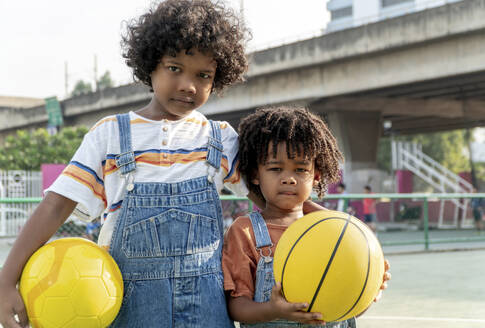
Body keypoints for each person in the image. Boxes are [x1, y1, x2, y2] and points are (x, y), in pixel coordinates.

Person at [0, 1, 251, 327]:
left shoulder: (220, 139)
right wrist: (7, 278)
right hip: (128, 311)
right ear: (150, 65)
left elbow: (275, 198)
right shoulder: (110, 135)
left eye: (203, 75)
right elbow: (56, 205)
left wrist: (323, 221)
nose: (188, 84)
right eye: (174, 68)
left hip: (207, 311)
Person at [222, 107, 390, 327]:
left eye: (300, 170)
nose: (289, 179)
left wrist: (367, 286)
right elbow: (236, 307)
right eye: (275, 169)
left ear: (316, 176)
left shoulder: (337, 233)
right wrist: (272, 310)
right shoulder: (245, 231)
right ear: (255, 174)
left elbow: (346, 309)